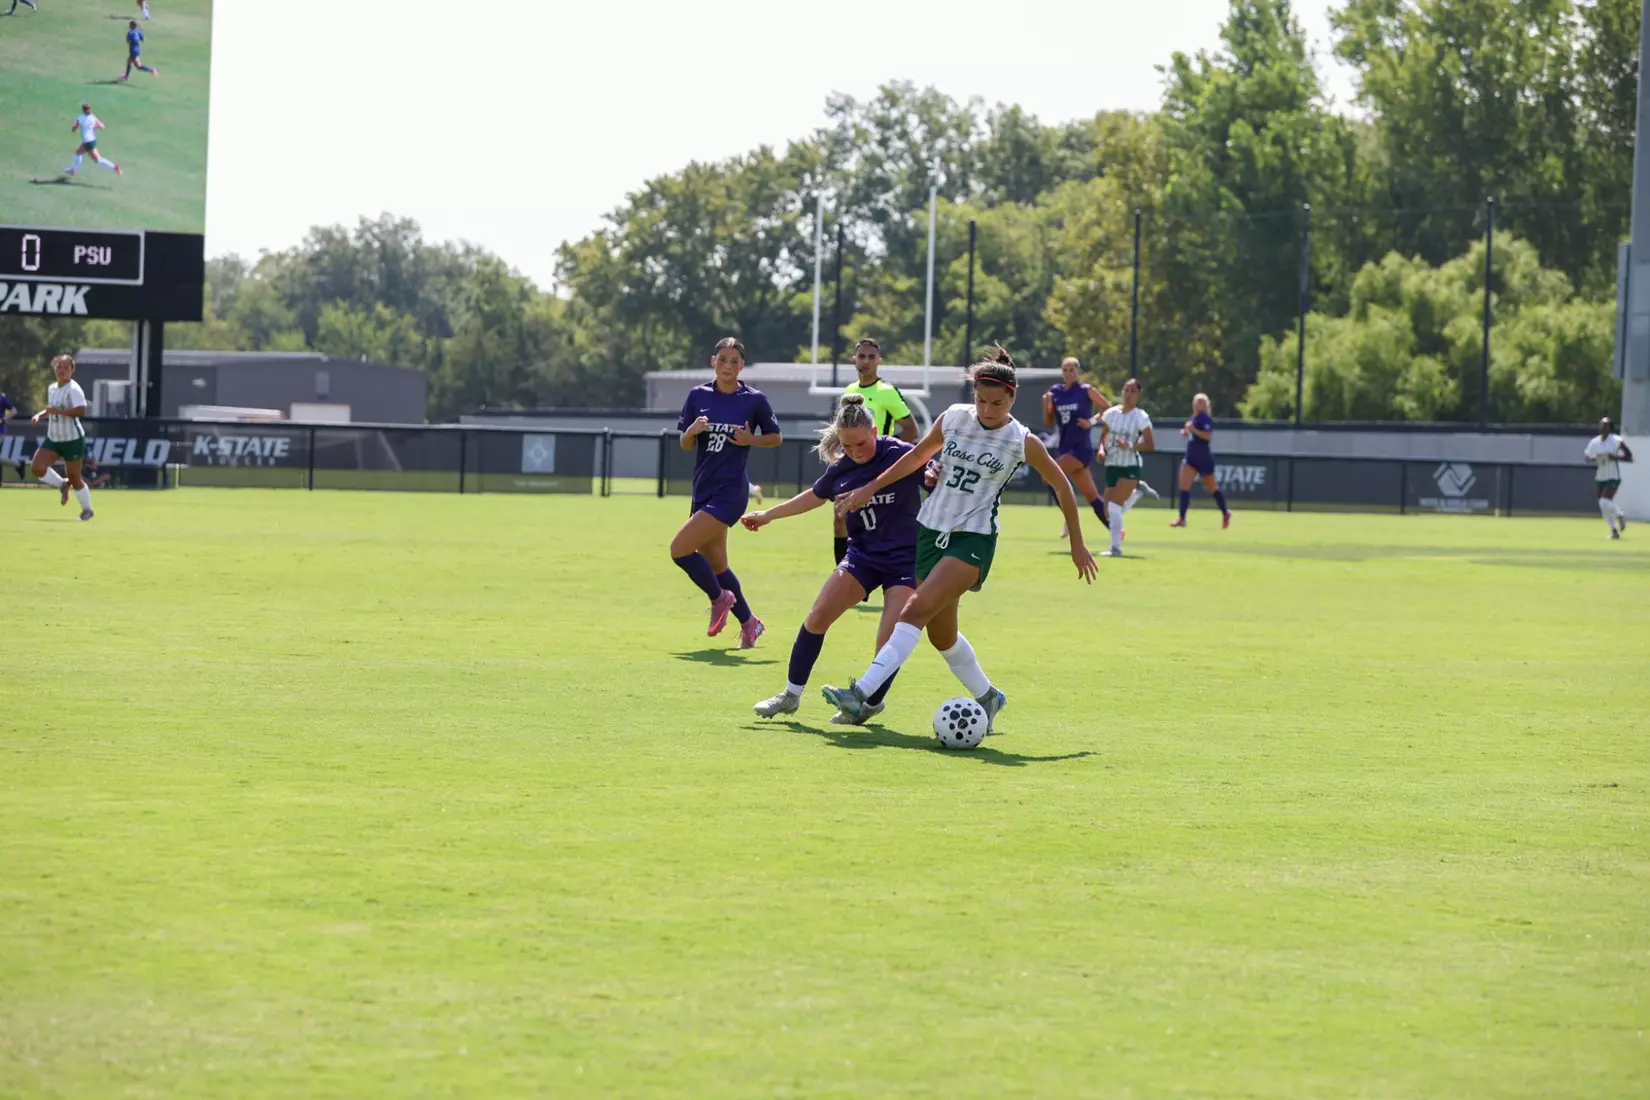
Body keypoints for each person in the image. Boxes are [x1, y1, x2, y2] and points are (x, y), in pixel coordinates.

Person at [820, 348, 1099, 728]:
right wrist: (870, 487)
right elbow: (917, 458)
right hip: (930, 530)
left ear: (1013, 397)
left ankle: (861, 694)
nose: (988, 409)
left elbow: (1063, 487)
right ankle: (989, 696)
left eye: (997, 403)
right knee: (941, 635)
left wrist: (1077, 543)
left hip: (973, 538)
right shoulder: (953, 418)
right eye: (981, 400)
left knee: (913, 610)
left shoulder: (1021, 440)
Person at [744, 394, 926, 724]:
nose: (855, 453)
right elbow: (812, 498)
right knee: (817, 616)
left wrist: (935, 474)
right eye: (847, 446)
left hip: (906, 559)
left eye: (860, 444)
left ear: (873, 432)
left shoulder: (899, 454)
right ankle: (790, 695)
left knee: (889, 640)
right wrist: (769, 514)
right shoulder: (842, 467)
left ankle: (869, 706)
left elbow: (932, 472)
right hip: (863, 557)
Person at [670, 337, 782, 647]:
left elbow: (775, 437)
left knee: (679, 549)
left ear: (742, 366)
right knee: (718, 566)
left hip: (731, 492)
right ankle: (750, 623)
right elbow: (685, 443)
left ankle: (720, 599)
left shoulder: (754, 400)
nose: (728, 366)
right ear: (713, 361)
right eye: (723, 360)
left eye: (734, 361)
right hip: (703, 489)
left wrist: (751, 440)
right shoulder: (698, 395)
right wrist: (691, 432)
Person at [831, 338, 919, 565]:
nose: (866, 361)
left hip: (881, 469)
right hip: (854, 466)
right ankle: (843, 573)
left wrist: (886, 452)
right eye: (861, 356)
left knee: (883, 523)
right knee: (840, 517)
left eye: (871, 357)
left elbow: (911, 429)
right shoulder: (849, 392)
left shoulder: (887, 392)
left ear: (879, 361)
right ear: (854, 360)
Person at [1043, 357, 1112, 539]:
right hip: (1065, 448)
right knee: (1092, 497)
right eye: (1065, 369)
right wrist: (1047, 404)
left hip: (1081, 449)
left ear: (1078, 372)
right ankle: (1116, 530)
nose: (1068, 373)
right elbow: (1049, 422)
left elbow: (1109, 409)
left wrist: (1091, 421)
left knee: (1048, 477)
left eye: (1072, 369)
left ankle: (1069, 517)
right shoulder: (1055, 392)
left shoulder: (1085, 390)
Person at [29, 355, 95, 521]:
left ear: (72, 370)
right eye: (59, 367)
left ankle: (87, 510)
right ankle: (62, 485)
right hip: (54, 437)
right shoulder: (52, 388)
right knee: (37, 467)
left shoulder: (74, 389)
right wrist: (39, 415)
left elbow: (81, 411)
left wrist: (58, 412)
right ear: (54, 369)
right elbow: (51, 409)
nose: (62, 370)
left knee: (75, 477)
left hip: (72, 439)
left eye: (66, 367)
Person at [1097, 378, 1157, 556]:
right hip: (1112, 464)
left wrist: (1130, 445)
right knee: (1107, 512)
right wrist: (1101, 450)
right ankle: (1138, 491)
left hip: (1130, 465)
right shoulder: (1111, 414)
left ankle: (1115, 549)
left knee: (1115, 508)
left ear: (1139, 395)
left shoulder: (1141, 417)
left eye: (1132, 391)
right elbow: (1103, 437)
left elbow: (1150, 445)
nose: (1128, 394)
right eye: (1126, 390)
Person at [1170, 393, 1231, 528]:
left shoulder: (1205, 419)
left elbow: (1207, 436)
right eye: (1196, 402)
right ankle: (1182, 518)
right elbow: (1193, 432)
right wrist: (1186, 432)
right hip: (1191, 457)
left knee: (1212, 488)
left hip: (1203, 458)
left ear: (1206, 405)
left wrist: (1193, 429)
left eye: (1201, 402)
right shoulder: (1194, 418)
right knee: (1183, 486)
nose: (1197, 404)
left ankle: (1225, 512)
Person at [1584, 417, 1633, 539]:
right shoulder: (1594, 442)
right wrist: (1594, 458)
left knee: (1604, 501)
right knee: (1603, 506)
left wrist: (1615, 458)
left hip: (1613, 476)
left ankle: (1620, 515)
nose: (1602, 427)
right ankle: (1614, 531)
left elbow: (1629, 456)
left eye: (1605, 425)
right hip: (1601, 476)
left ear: (1610, 428)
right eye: (1601, 425)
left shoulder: (1616, 441)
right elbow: (1586, 458)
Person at [66, 105, 122, 179]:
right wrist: (92, 128)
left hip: (87, 141)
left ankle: (115, 167)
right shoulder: (93, 117)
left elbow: (74, 129)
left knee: (98, 160)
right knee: (79, 152)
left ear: (83, 110)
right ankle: (73, 170)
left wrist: (74, 128)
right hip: (92, 140)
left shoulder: (80, 118)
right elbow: (102, 126)